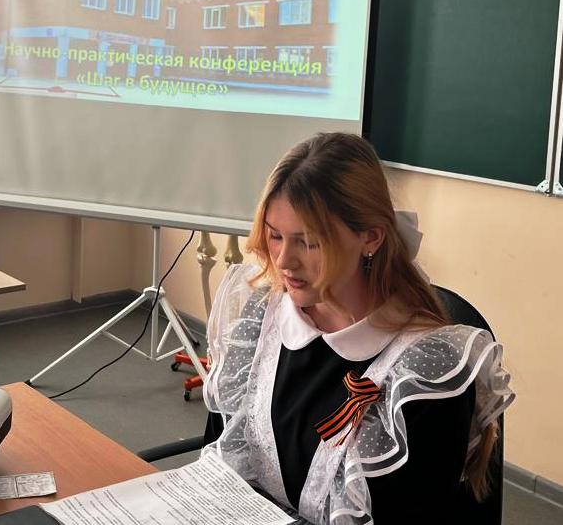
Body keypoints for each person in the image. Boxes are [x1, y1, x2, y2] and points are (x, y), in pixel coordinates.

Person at [201, 132, 514, 525]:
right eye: (275, 235)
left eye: (308, 243)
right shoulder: (260, 317)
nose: (283, 261)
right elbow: (218, 466)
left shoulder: (424, 376)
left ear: (370, 238)